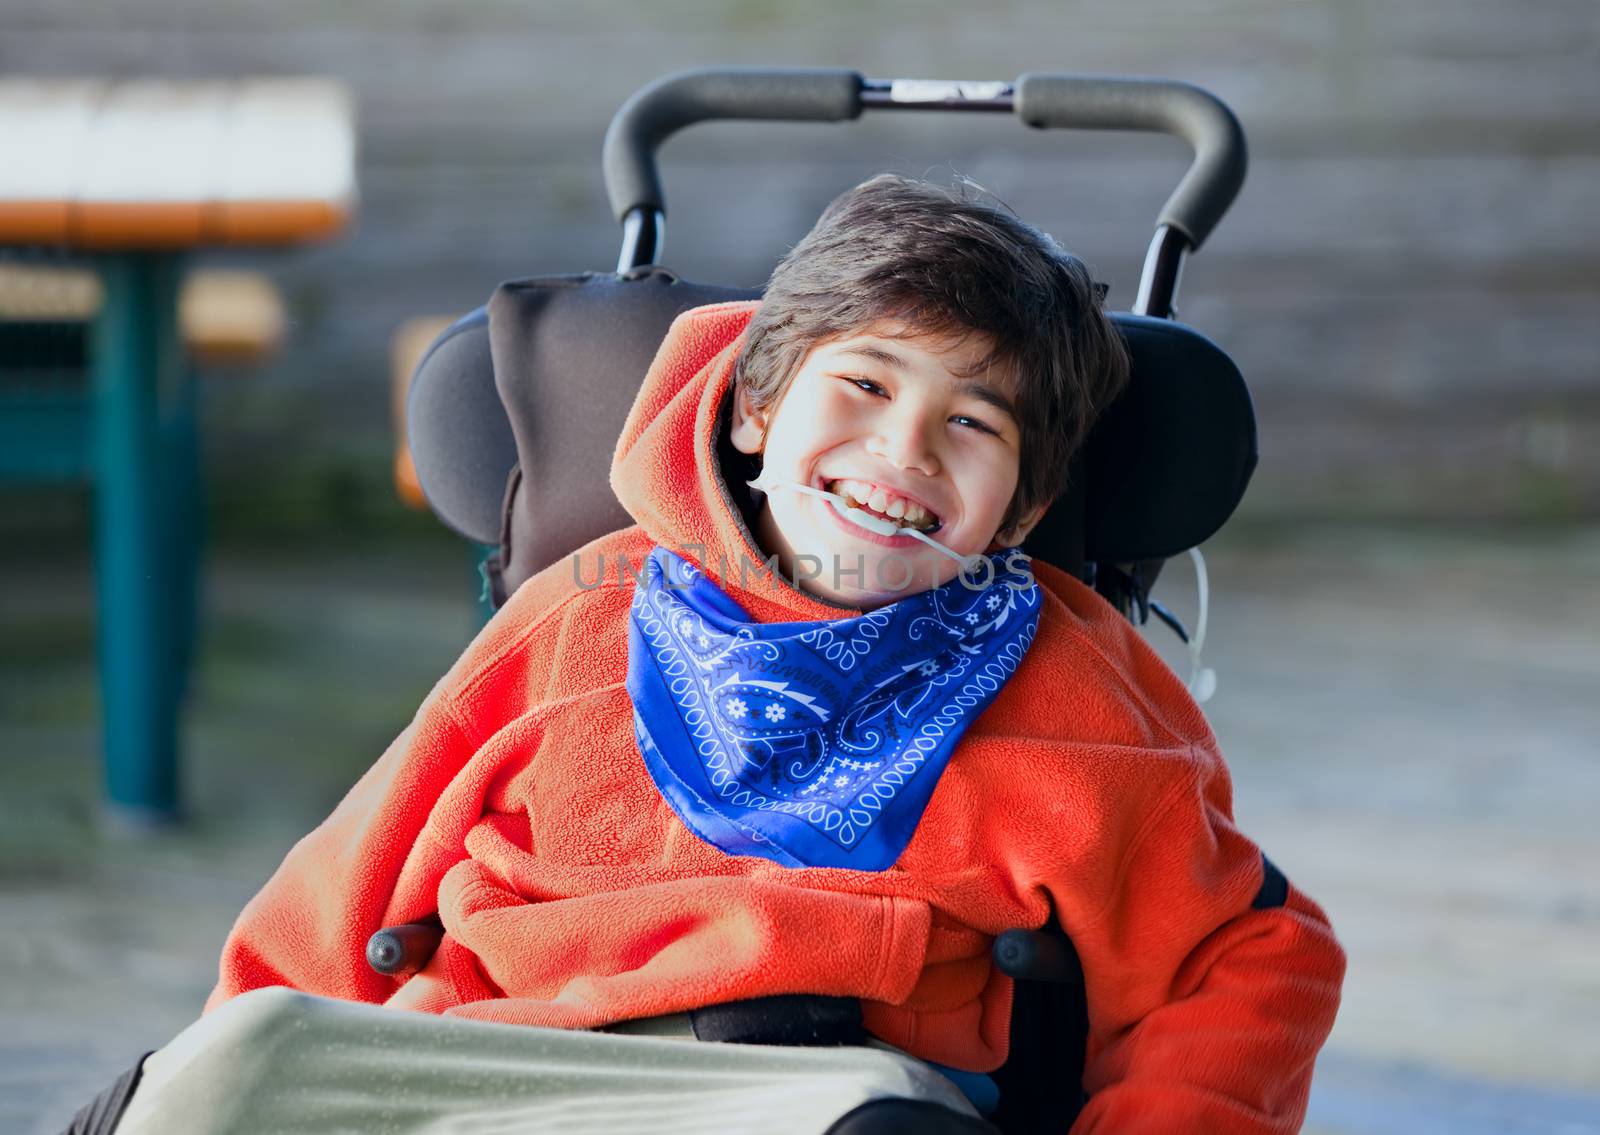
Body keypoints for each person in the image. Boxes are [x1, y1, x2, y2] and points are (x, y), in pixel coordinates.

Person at [101, 175, 1345, 1135]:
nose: (903, 451)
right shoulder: (573, 615)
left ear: (1019, 510)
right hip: (500, 1059)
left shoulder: (1073, 692)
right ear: (755, 409)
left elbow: (1249, 954)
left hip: (793, 1090)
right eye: (860, 385)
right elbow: (339, 890)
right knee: (231, 1062)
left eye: (969, 423)